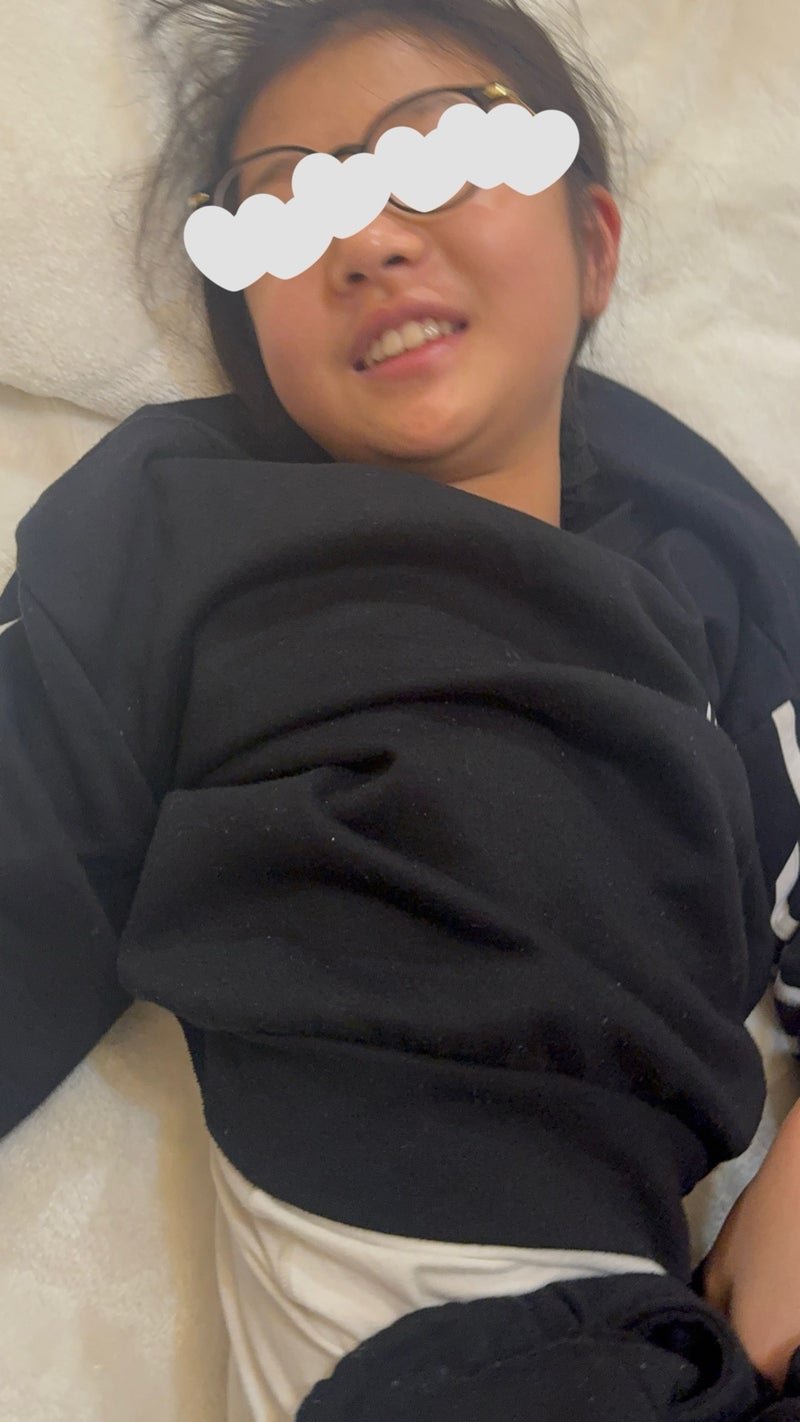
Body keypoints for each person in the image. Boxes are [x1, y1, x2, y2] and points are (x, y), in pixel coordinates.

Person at [2, 0, 799, 1417]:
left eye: (441, 157)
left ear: (594, 245)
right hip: (441, 1359)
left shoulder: (710, 570)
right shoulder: (184, 528)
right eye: (285, 206)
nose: (366, 238)